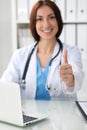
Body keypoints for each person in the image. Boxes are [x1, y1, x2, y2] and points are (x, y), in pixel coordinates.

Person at [1, 0, 84, 100]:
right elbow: (5, 87)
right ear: (34, 24)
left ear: (58, 20)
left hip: (63, 115)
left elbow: (78, 76)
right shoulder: (20, 55)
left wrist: (71, 79)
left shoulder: (71, 52)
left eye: (51, 17)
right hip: (29, 114)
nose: (46, 24)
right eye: (39, 19)